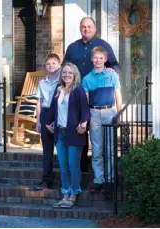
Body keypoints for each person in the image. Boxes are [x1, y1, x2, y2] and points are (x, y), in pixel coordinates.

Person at [63, 17, 120, 172]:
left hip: (97, 101)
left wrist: (111, 70)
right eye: (83, 27)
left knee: (100, 140)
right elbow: (64, 68)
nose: (86, 29)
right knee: (79, 131)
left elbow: (115, 65)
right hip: (76, 96)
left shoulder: (103, 46)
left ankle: (106, 174)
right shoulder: (72, 47)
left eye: (89, 27)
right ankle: (81, 169)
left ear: (94, 28)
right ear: (80, 28)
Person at [46, 62, 90, 208]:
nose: (66, 75)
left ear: (75, 74)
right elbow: (53, 109)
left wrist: (83, 123)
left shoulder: (78, 89)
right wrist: (49, 122)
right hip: (60, 133)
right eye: (64, 72)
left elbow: (85, 109)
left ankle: (73, 194)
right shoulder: (59, 89)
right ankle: (65, 194)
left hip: (74, 133)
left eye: (69, 73)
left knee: (73, 165)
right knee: (63, 166)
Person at [82, 46, 122, 193]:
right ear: (92, 59)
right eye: (96, 58)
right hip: (94, 113)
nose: (98, 60)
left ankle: (110, 179)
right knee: (97, 149)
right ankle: (99, 179)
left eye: (101, 58)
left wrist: (119, 114)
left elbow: (118, 96)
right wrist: (86, 119)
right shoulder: (86, 78)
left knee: (110, 149)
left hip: (109, 112)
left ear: (105, 59)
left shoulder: (112, 75)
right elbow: (85, 102)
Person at [32, 53, 61, 191]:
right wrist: (38, 121)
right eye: (48, 64)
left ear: (59, 65)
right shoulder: (42, 82)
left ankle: (64, 181)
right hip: (45, 114)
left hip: (58, 114)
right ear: (46, 66)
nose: (51, 66)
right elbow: (39, 102)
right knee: (47, 151)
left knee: (61, 149)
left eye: (54, 63)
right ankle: (46, 180)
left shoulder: (63, 81)